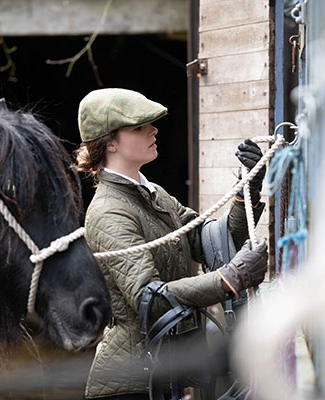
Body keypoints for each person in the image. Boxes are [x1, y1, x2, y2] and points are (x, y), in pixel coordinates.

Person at [75, 88, 268, 400]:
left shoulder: (155, 194)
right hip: (131, 384)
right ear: (109, 142)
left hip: (170, 371)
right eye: (139, 127)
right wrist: (227, 280)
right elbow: (150, 299)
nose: (153, 130)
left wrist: (248, 188)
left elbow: (215, 241)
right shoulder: (108, 212)